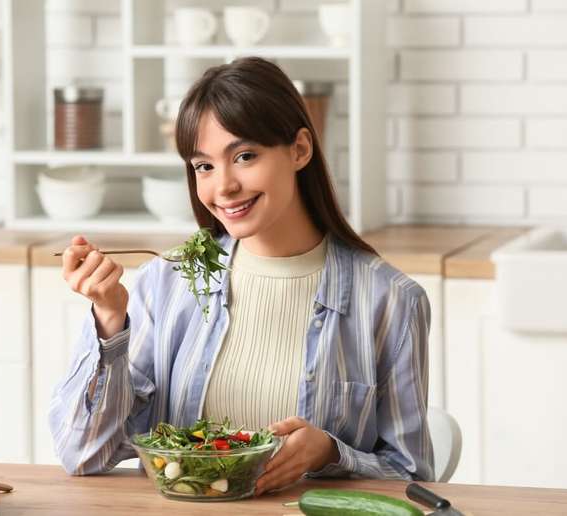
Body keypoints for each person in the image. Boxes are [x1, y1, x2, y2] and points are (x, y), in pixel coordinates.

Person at [49, 56, 434, 493]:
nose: (224, 186)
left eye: (245, 156)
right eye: (204, 166)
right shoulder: (167, 283)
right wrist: (109, 322)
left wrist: (332, 453)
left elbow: (412, 476)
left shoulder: (391, 300)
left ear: (300, 149)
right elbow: (83, 454)